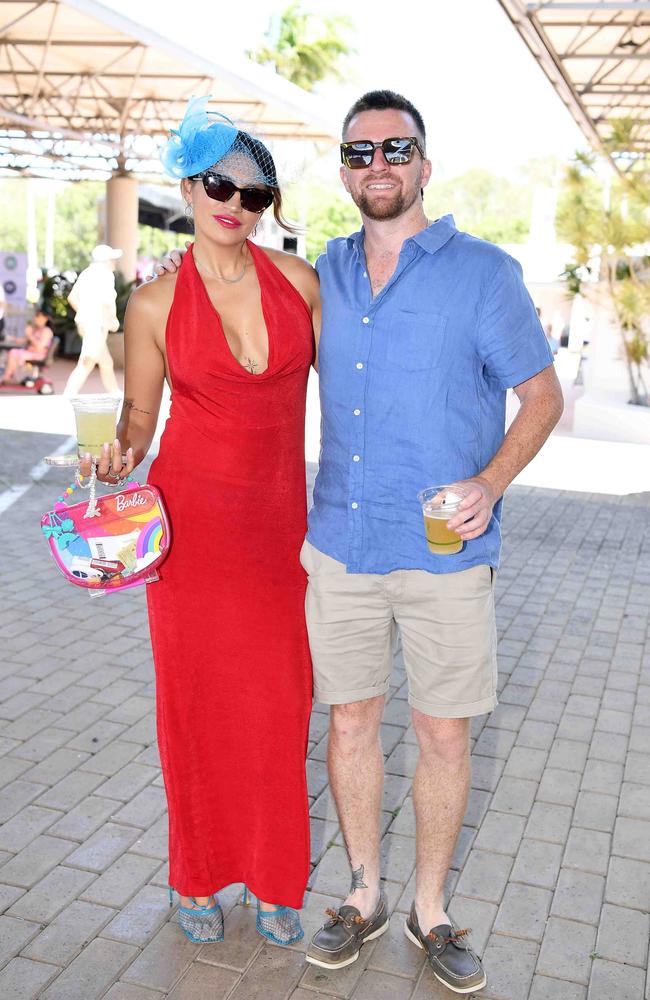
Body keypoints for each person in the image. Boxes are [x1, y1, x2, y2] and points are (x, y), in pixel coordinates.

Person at [154, 89, 563, 995]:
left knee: (444, 736)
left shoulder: (484, 273)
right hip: (338, 543)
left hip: (445, 553)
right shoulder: (322, 274)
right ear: (342, 170)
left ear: (424, 160)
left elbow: (542, 397)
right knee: (349, 723)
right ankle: (361, 893)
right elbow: (233, 330)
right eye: (359, 152)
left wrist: (490, 484)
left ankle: (430, 910)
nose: (377, 165)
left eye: (396, 148)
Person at [81, 97, 321, 946]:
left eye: (255, 194)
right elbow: (140, 424)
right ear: (190, 185)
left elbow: (359, 394)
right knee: (194, 707)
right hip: (191, 535)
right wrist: (116, 456)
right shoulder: (151, 305)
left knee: (281, 704)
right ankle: (196, 877)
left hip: (280, 537)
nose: (236, 204)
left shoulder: (300, 285)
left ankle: (274, 877)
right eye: (222, 184)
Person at [63, 244, 122, 396]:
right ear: (106, 261)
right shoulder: (105, 275)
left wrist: (85, 314)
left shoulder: (87, 273)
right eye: (112, 259)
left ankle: (114, 392)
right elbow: (107, 302)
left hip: (87, 323)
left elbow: (72, 297)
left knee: (105, 362)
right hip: (96, 325)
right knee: (87, 361)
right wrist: (112, 321)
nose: (115, 262)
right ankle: (69, 394)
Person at [0, 309, 53, 383]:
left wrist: (30, 335)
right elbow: (23, 341)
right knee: (13, 352)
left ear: (45, 318)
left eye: (38, 316)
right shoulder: (35, 329)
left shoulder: (47, 331)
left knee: (14, 352)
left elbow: (40, 347)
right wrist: (9, 338)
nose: (35, 318)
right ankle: (9, 376)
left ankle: (7, 377)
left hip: (38, 355)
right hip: (30, 353)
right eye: (35, 316)